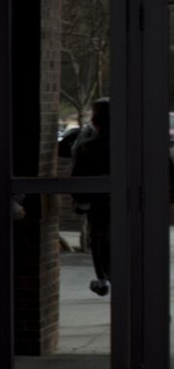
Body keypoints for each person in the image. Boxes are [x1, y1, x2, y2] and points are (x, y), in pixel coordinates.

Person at [71, 99, 112, 297]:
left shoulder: (89, 148)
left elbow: (78, 185)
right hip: (135, 215)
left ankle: (104, 279)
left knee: (105, 253)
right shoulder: (137, 145)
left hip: (101, 214)